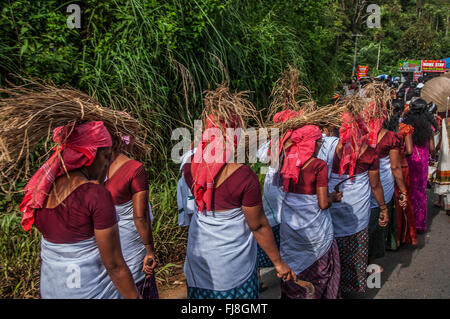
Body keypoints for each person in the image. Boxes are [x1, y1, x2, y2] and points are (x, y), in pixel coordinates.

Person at [20, 121, 140, 298]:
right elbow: (115, 265)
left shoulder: (42, 190)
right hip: (89, 291)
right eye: (105, 156)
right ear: (89, 155)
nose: (107, 163)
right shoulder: (94, 195)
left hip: (52, 289)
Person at [183, 112, 295, 299]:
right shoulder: (243, 176)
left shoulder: (189, 167)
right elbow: (258, 226)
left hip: (200, 260)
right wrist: (278, 263)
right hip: (234, 266)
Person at [277, 123, 342, 299]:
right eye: (318, 140)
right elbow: (322, 203)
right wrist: (334, 197)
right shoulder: (318, 165)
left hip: (290, 224)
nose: (321, 144)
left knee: (293, 261)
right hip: (314, 229)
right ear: (310, 143)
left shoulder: (287, 161)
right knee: (319, 267)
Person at [327, 113, 386, 294]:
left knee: (333, 247)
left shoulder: (327, 149)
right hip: (358, 212)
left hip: (332, 205)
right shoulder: (369, 153)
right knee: (355, 246)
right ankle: (352, 286)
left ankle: (334, 287)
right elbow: (375, 185)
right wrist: (383, 208)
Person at [104, 135, 159, 299]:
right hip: (132, 246)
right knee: (140, 287)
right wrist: (149, 250)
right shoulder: (135, 169)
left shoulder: (96, 169)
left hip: (106, 245)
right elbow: (140, 217)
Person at [367, 106, 408, 267]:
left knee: (365, 222)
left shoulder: (361, 136)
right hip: (382, 184)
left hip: (362, 185)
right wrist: (403, 190)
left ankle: (361, 261)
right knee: (378, 222)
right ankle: (371, 264)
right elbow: (395, 167)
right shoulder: (391, 137)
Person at [383, 100, 417, 246]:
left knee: (388, 202)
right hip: (401, 167)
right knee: (404, 200)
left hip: (385, 168)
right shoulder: (404, 129)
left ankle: (389, 239)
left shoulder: (382, 130)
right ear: (399, 112)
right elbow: (409, 150)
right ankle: (404, 237)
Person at [402, 99, 437, 233]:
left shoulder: (407, 125)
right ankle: (420, 224)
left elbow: (407, 147)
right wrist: (432, 158)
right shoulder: (429, 126)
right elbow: (433, 148)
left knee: (409, 190)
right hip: (422, 161)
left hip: (410, 159)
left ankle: (408, 224)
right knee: (421, 191)